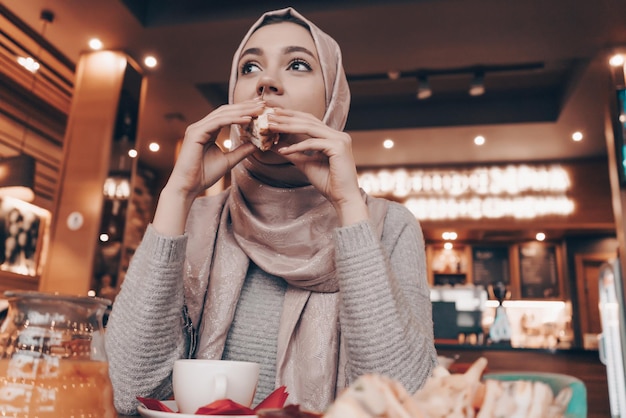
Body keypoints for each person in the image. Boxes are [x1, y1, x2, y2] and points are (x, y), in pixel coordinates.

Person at [105, 7, 436, 415]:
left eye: (297, 64)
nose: (265, 81)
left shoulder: (390, 227)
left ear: (331, 98)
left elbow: (408, 401)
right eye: (250, 67)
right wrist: (176, 196)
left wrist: (348, 206)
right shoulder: (193, 222)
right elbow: (128, 392)